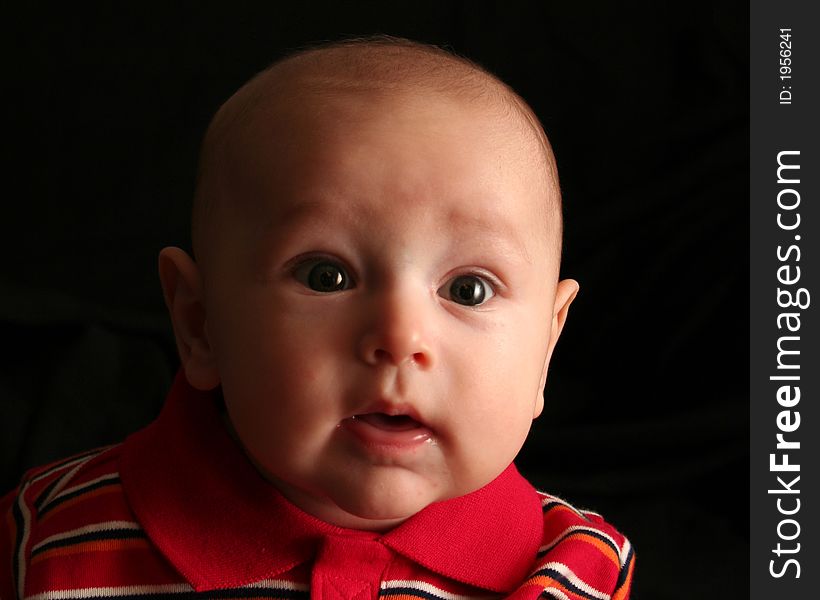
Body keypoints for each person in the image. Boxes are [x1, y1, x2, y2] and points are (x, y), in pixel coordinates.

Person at [0, 37, 633, 599]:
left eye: (468, 289)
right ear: (200, 325)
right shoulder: (55, 535)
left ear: (547, 346)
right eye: (326, 277)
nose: (400, 337)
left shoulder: (580, 570)